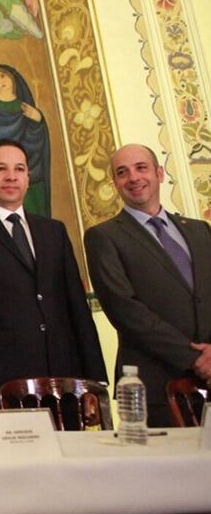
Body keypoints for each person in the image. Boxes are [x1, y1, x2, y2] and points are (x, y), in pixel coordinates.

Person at [0, 139, 106, 421]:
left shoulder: (53, 231)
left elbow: (78, 309)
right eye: (1, 169)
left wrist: (95, 382)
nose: (11, 177)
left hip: (64, 382)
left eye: (19, 169)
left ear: (28, 177)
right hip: (2, 382)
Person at [84, 144, 211, 426]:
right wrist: (195, 358)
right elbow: (125, 311)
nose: (133, 177)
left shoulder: (201, 231)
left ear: (160, 173)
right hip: (152, 387)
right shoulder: (103, 237)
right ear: (115, 183)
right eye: (122, 172)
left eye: (141, 168)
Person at [0, 65, 51, 217]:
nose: (0, 81)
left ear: (12, 77)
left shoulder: (24, 105)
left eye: (3, 76)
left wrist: (37, 121)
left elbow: (37, 138)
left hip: (33, 166)